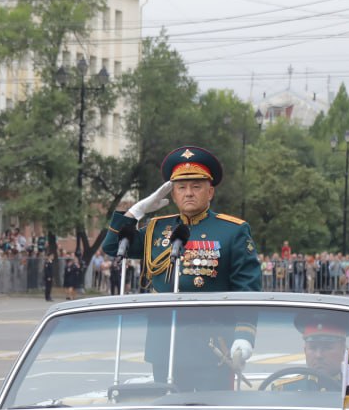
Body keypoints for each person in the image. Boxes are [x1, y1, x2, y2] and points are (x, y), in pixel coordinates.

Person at [102, 145, 262, 386]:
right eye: (181, 188)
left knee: (211, 409)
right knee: (165, 408)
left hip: (212, 348)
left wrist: (244, 335)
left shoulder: (232, 231)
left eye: (196, 187)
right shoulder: (156, 229)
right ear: (173, 194)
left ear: (210, 192)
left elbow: (247, 287)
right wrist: (136, 212)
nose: (188, 193)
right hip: (164, 345)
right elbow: (113, 247)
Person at [270, 311, 349, 392]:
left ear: (343, 350)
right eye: (313, 348)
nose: (319, 355)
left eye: (327, 348)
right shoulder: (284, 390)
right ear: (305, 351)